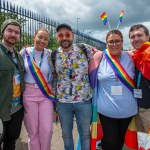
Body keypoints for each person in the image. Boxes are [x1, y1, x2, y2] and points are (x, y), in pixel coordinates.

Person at [89, 29, 138, 150]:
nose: (114, 44)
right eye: (111, 41)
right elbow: (88, 78)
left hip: (128, 112)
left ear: (122, 42)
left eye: (117, 41)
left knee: (120, 143)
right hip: (106, 112)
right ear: (106, 43)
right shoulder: (99, 57)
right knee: (109, 143)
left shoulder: (131, 57)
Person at [54, 23, 96, 150]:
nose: (64, 37)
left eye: (67, 34)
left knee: (85, 134)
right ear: (57, 38)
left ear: (72, 36)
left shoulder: (84, 49)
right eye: (61, 35)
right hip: (63, 103)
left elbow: (105, 56)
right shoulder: (53, 55)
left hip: (83, 101)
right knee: (66, 135)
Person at [20, 27, 55, 150]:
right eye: (40, 37)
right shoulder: (24, 53)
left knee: (47, 129)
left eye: (46, 39)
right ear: (34, 36)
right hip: (29, 95)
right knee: (32, 130)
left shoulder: (50, 54)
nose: (42, 41)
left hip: (46, 95)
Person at [0, 19, 25, 150]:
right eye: (10, 30)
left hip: (17, 110)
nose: (13, 34)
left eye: (17, 32)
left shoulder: (19, 56)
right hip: (1, 109)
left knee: (10, 142)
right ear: (3, 31)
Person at [129, 24, 150, 133]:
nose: (136, 39)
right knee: (143, 142)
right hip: (138, 107)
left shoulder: (148, 53)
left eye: (139, 35)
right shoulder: (137, 55)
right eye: (133, 37)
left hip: (148, 110)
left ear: (147, 36)